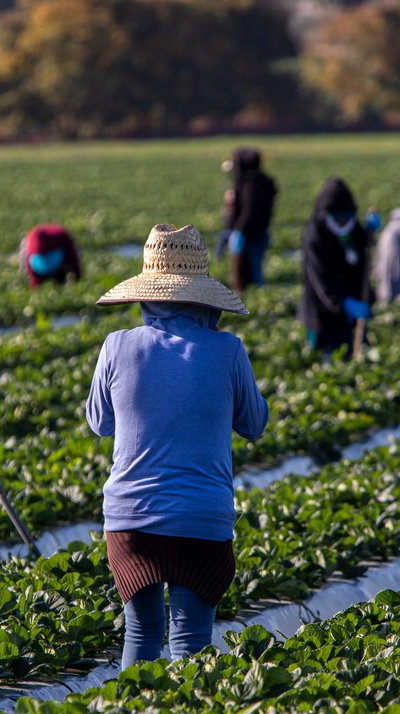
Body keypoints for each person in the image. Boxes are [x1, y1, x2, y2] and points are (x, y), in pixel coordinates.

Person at [86, 224, 270, 670]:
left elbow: (99, 423)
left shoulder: (117, 346)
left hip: (131, 518)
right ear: (205, 299)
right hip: (201, 518)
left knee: (142, 631)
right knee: (190, 643)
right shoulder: (229, 351)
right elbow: (255, 424)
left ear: (146, 294)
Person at [299, 177, 373, 359]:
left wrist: (368, 234)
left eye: (346, 219)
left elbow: (360, 256)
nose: (343, 225)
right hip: (324, 309)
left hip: (349, 308)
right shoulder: (315, 237)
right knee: (330, 354)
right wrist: (343, 303)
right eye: (339, 220)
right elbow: (320, 279)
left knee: (353, 348)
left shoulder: (352, 227)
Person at [223, 147, 278, 292]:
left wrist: (239, 231)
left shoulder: (250, 183)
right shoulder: (263, 181)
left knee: (246, 273)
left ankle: (249, 300)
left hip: (249, 235)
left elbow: (249, 210)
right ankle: (255, 296)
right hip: (260, 232)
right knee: (256, 270)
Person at [20, 223, 83, 288]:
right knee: (38, 278)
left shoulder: (62, 237)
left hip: (58, 248)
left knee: (60, 277)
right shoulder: (29, 245)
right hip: (34, 251)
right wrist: (34, 284)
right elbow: (29, 266)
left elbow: (73, 258)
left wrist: (77, 276)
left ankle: (59, 280)